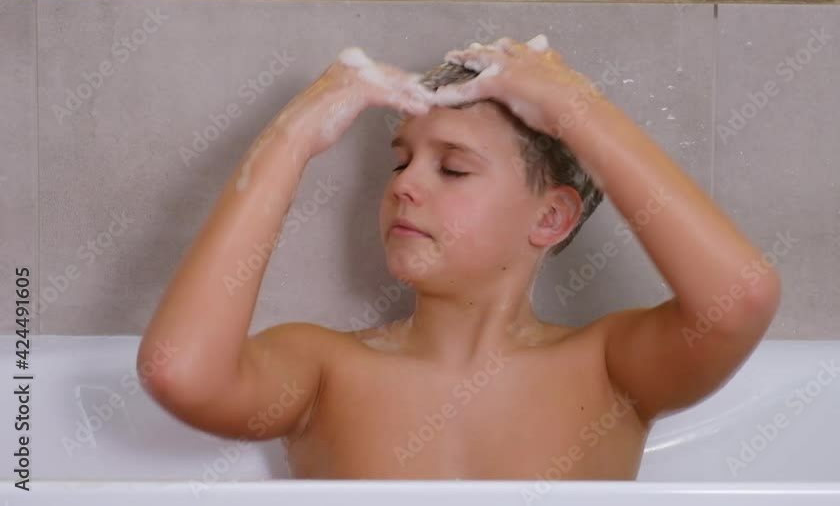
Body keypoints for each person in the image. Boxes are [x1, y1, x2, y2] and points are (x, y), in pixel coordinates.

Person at [137, 34, 781, 480]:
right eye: (399, 160)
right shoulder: (324, 369)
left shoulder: (609, 370)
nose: (403, 185)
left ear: (551, 217)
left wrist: (571, 105)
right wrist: (293, 136)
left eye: (452, 168)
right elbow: (178, 372)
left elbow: (740, 297)